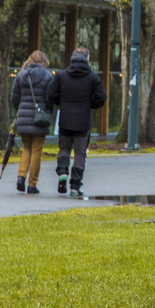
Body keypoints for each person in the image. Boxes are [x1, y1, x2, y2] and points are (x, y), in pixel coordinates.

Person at [48, 45, 107, 198]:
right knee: (80, 153)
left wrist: (62, 103)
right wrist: (89, 105)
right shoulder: (93, 77)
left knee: (64, 148)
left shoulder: (61, 75)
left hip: (66, 118)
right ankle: (75, 186)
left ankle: (62, 173)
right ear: (87, 59)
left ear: (72, 59)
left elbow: (52, 94)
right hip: (83, 120)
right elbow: (102, 97)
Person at [9, 51, 54, 194]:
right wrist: (47, 111)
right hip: (40, 119)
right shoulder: (48, 76)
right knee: (36, 150)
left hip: (23, 117)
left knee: (26, 148)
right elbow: (50, 98)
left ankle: (21, 176)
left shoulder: (21, 75)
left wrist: (21, 110)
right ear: (44, 61)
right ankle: (32, 184)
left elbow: (14, 98)